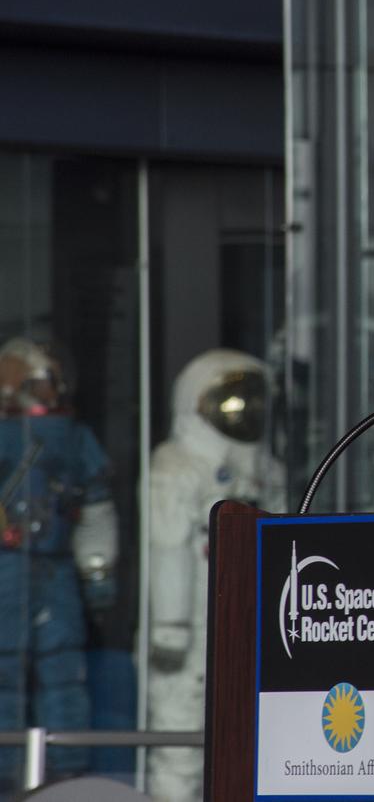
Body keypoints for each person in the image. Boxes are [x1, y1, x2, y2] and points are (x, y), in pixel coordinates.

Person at [146, 349, 285, 802]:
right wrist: (170, 627)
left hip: (249, 625)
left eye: (253, 400)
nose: (245, 410)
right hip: (187, 628)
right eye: (232, 400)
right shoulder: (176, 465)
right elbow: (167, 548)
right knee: (179, 742)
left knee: (245, 741)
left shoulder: (267, 470)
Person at [0, 337, 118, 791]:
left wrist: (97, 573)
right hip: (24, 569)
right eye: (38, 386)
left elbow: (94, 509)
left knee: (60, 672)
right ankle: (45, 772)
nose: (47, 397)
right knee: (27, 670)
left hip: (49, 567)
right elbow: (97, 512)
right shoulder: (72, 439)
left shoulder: (74, 439)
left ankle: (55, 771)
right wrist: (98, 574)